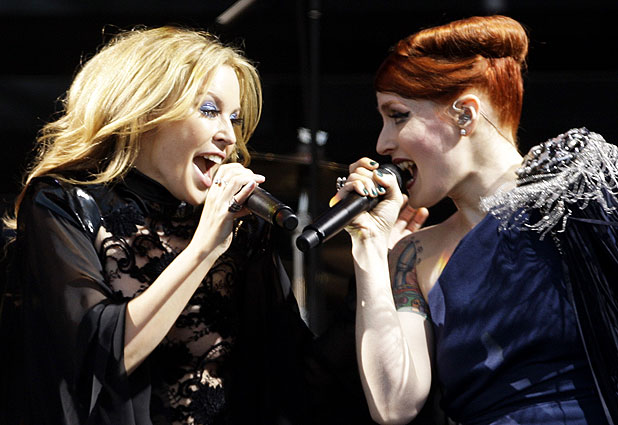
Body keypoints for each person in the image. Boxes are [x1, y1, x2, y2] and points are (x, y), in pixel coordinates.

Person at [0, 25, 369, 425]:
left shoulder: (239, 227)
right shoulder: (64, 202)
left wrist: (371, 252)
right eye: (209, 110)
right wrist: (205, 248)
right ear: (145, 111)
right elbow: (98, 359)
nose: (229, 136)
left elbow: (297, 382)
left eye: (234, 118)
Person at [333, 15, 618, 425]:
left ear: (465, 114)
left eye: (398, 115)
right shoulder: (414, 255)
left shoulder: (575, 188)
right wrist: (370, 245)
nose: (382, 143)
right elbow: (393, 404)